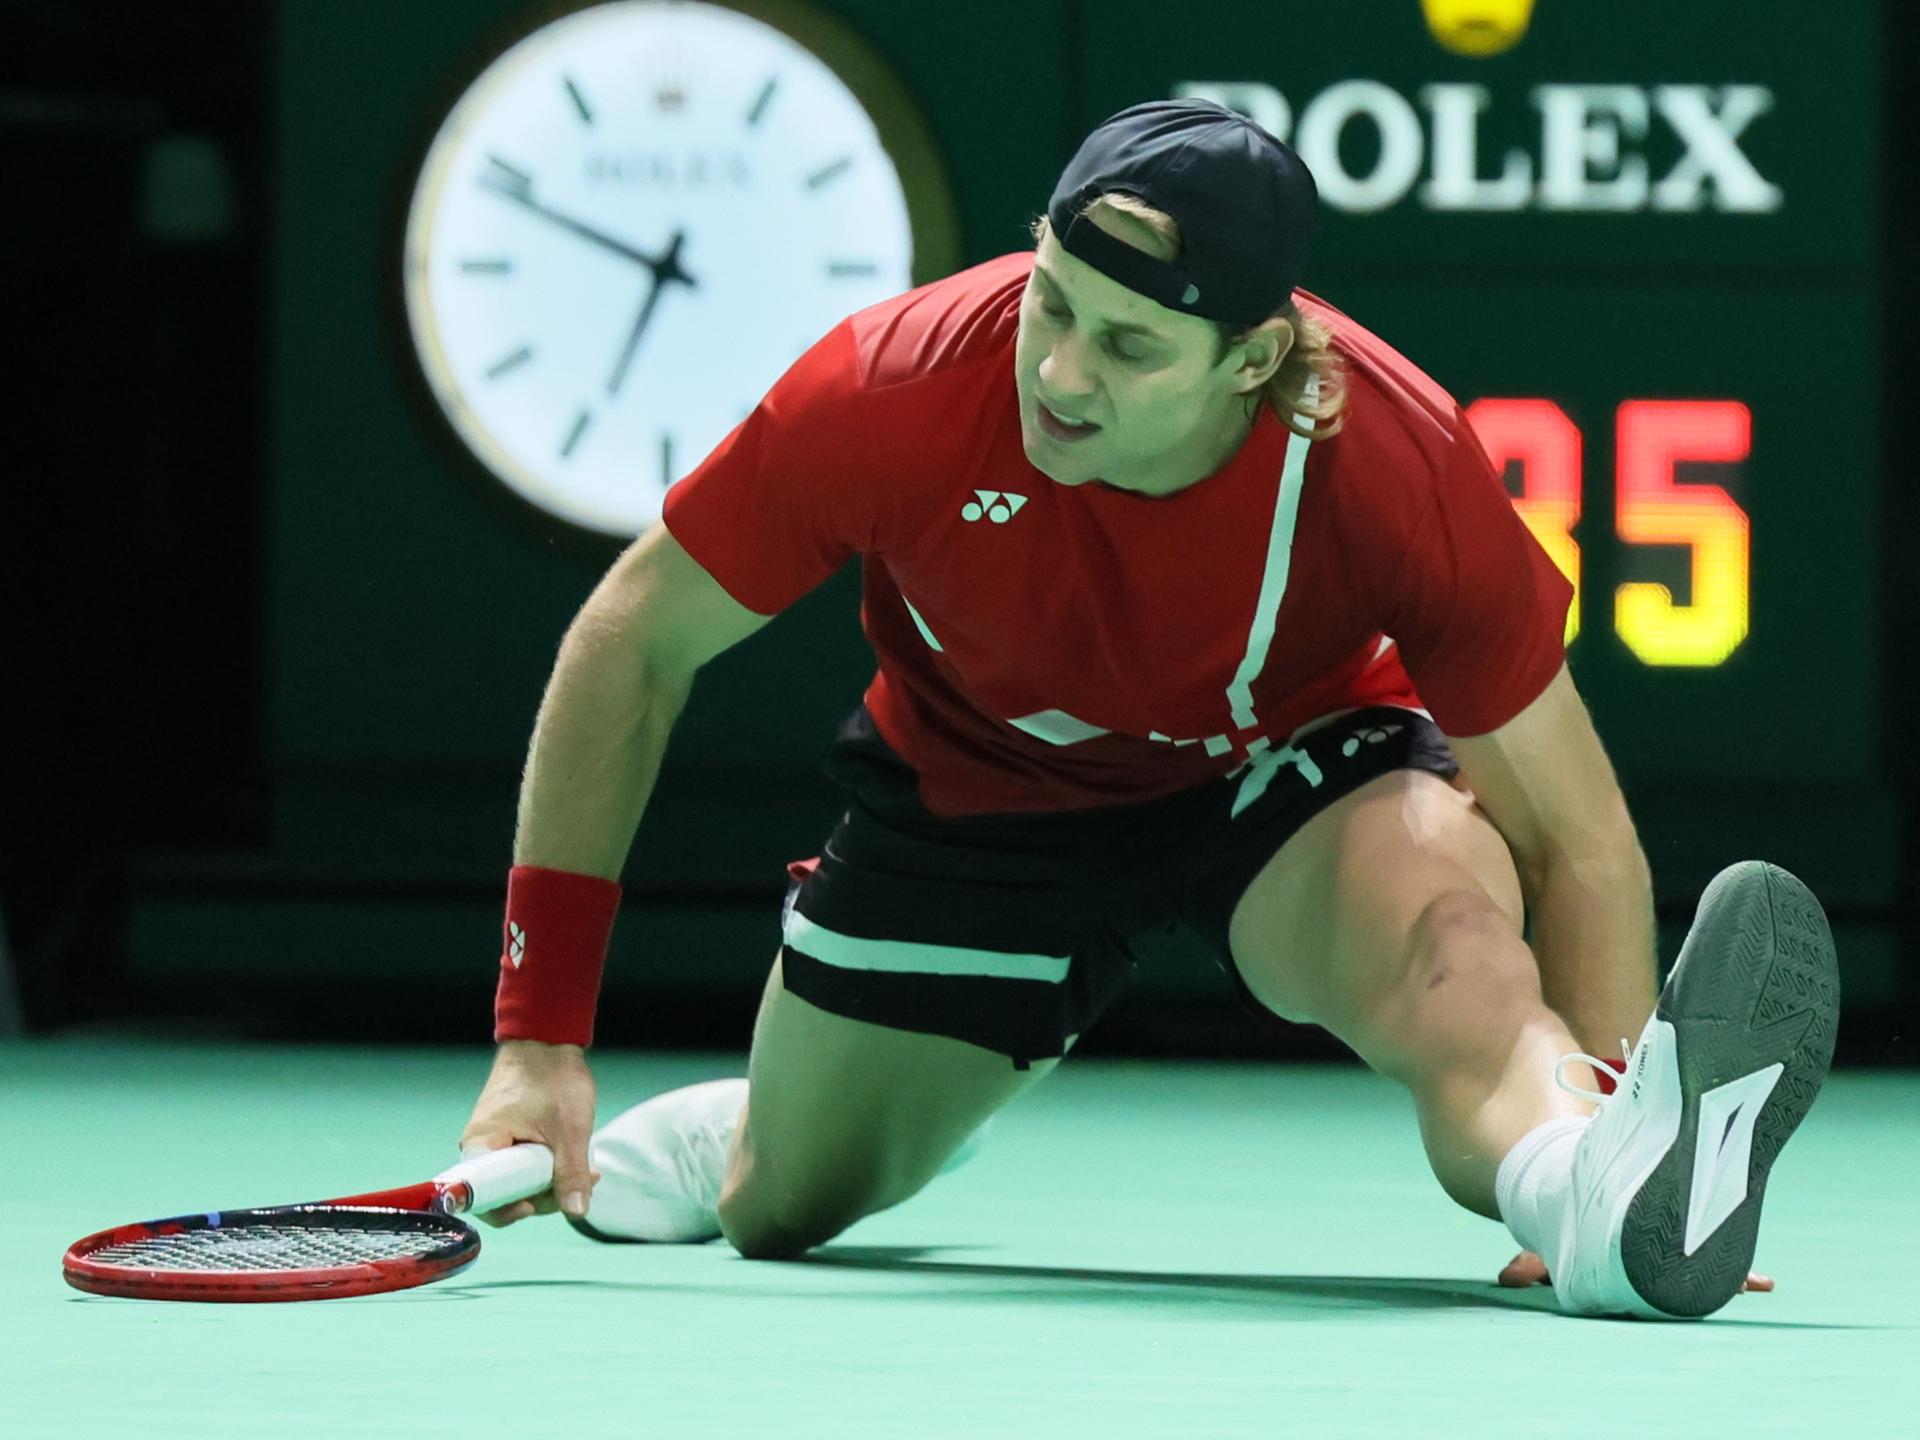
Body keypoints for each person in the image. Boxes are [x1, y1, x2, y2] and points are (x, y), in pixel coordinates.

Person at [458, 100, 1838, 1318]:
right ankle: (778, 1124)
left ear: (1253, 361)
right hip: (977, 797)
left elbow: (1575, 833)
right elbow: (630, 647)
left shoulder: (1392, 462)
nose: (1060, 371)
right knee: (782, 1213)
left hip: (1289, 778)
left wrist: (1611, 1106)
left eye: (1128, 345)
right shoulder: (894, 387)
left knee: (1454, 948)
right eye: (1052, 304)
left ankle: (1589, 1193)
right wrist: (540, 1040)